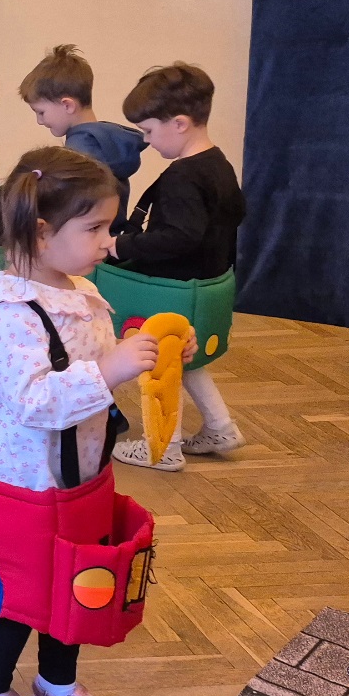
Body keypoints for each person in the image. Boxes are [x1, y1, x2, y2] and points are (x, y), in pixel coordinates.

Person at [0, 146, 195, 696]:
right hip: (24, 489)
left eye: (110, 227)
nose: (110, 242)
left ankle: (55, 686)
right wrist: (111, 369)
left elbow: (98, 363)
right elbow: (35, 400)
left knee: (71, 585)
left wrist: (151, 353)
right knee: (17, 596)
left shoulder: (81, 292)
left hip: (80, 476)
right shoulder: (11, 317)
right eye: (95, 228)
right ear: (42, 233)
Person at [109, 63, 247, 471]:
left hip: (176, 290)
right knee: (187, 362)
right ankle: (221, 427)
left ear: (180, 124)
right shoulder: (219, 164)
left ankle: (163, 448)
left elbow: (177, 238)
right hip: (208, 285)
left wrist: (121, 245)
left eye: (149, 131)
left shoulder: (183, 178)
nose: (147, 141)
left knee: (163, 363)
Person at [19, 45, 146, 233]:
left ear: (67, 105)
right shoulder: (106, 141)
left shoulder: (80, 148)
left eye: (41, 112)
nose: (39, 121)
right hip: (110, 234)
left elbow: (74, 206)